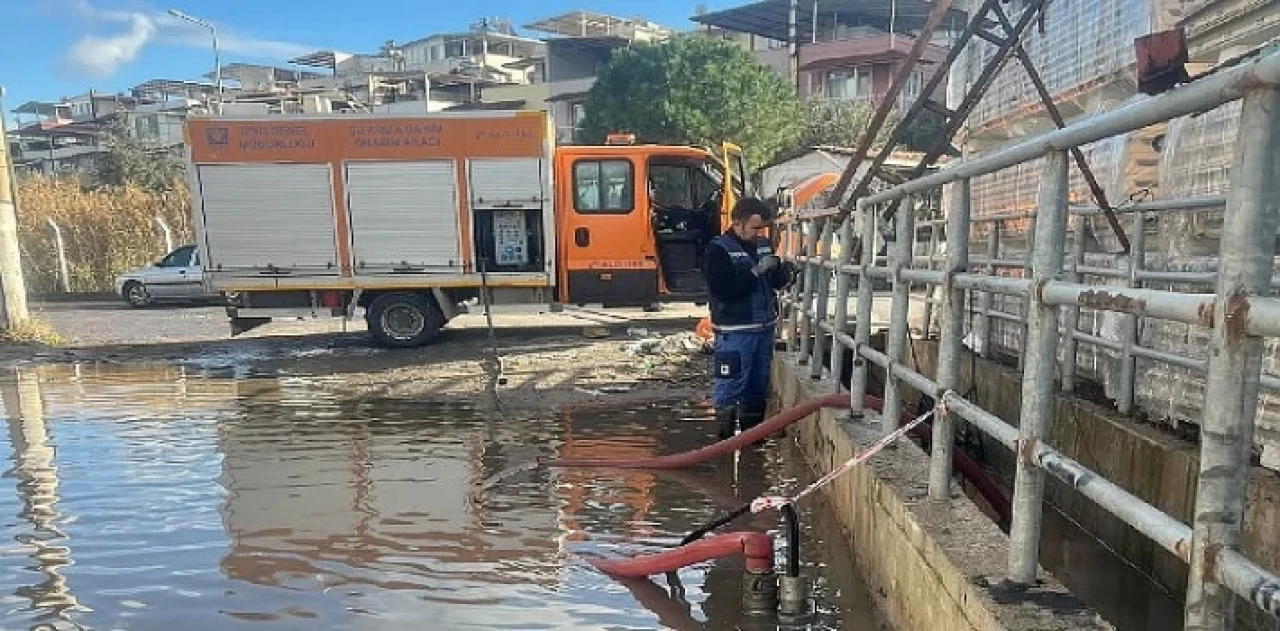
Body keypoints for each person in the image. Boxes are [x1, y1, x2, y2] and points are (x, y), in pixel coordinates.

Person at [702, 197, 797, 440]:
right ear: (737, 224)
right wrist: (756, 271)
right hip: (734, 331)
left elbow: (774, 283)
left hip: (763, 328)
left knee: (757, 387)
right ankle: (724, 443)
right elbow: (723, 289)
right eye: (754, 228)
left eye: (762, 228)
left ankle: (753, 440)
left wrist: (784, 273)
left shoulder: (763, 244)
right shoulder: (718, 250)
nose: (759, 234)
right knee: (729, 386)